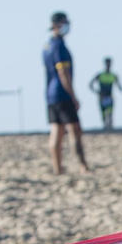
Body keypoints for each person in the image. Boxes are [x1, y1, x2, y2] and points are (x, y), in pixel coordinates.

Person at [43, 12, 88, 175]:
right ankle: (83, 166)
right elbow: (64, 74)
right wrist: (73, 95)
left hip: (50, 94)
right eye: (64, 23)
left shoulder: (47, 46)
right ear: (56, 25)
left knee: (57, 129)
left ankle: (57, 168)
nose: (67, 26)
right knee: (74, 129)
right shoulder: (59, 46)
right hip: (62, 94)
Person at [88, 57, 120, 131]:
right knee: (103, 114)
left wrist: (121, 88)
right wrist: (97, 92)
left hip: (110, 96)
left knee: (110, 112)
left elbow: (119, 85)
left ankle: (110, 127)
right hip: (102, 97)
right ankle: (105, 127)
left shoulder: (114, 76)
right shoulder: (100, 75)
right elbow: (90, 85)